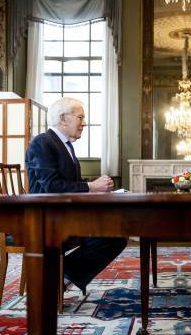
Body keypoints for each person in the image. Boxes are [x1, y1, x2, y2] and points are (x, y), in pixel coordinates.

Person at [25, 97, 127, 294]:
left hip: (66, 216)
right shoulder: (42, 143)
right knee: (112, 238)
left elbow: (71, 184)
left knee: (117, 235)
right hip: (47, 219)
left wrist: (97, 188)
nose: (84, 123)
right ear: (63, 118)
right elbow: (52, 186)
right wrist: (91, 186)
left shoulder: (66, 145)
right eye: (80, 117)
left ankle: (61, 277)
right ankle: (57, 279)